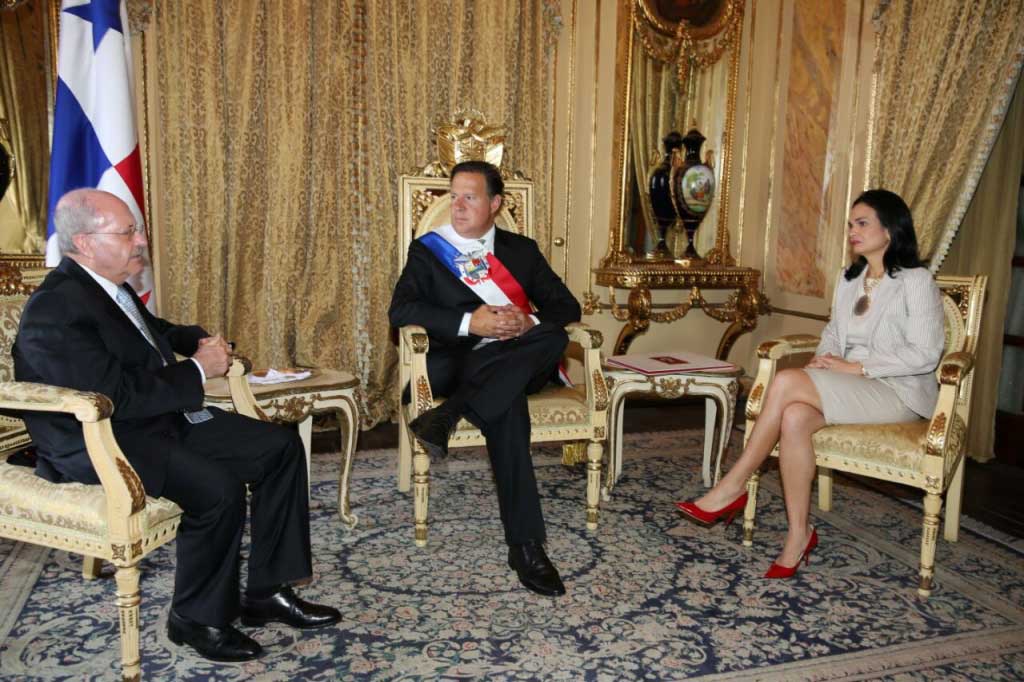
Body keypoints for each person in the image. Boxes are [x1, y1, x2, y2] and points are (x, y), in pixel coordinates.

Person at [13, 189, 341, 662]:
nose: (140, 241)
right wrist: (198, 370)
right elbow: (113, 395)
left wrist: (197, 341)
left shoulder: (107, 286)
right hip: (99, 440)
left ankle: (267, 592)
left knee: (279, 447)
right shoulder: (56, 307)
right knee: (218, 489)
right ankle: (195, 619)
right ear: (84, 243)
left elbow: (150, 335)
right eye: (127, 232)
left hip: (150, 421)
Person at [675, 189, 944, 578]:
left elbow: (926, 354)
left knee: (786, 382)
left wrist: (854, 368)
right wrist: (826, 359)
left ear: (890, 229)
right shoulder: (850, 279)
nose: (852, 231)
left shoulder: (916, 281)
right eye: (850, 225)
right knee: (795, 417)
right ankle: (799, 535)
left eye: (862, 223)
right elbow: (834, 334)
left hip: (897, 391)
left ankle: (732, 486)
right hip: (853, 384)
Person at [389, 160, 581, 597]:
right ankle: (526, 547)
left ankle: (451, 412)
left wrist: (529, 321)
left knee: (551, 336)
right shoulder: (429, 250)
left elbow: (566, 306)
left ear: (495, 204)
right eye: (453, 196)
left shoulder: (521, 250)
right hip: (459, 363)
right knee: (506, 403)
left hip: (514, 358)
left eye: (470, 197)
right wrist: (468, 323)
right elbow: (400, 311)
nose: (457, 206)